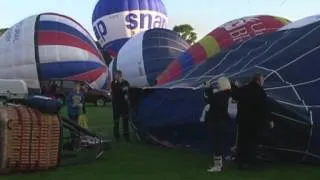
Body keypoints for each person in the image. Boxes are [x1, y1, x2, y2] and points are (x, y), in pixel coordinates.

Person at [232, 74, 274, 170]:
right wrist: (270, 120)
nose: (263, 82)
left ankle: (240, 162)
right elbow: (265, 108)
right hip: (255, 122)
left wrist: (233, 85)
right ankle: (251, 162)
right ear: (258, 81)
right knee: (252, 142)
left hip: (242, 121)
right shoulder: (260, 92)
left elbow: (235, 96)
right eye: (262, 80)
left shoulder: (244, 89)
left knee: (242, 141)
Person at [203, 77, 233, 173]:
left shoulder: (222, 95)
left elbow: (211, 100)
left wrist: (208, 88)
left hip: (217, 122)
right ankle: (220, 163)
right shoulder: (228, 94)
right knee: (219, 142)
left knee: (217, 143)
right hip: (222, 122)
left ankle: (218, 166)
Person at [111, 70, 130, 142]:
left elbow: (128, 90)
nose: (114, 76)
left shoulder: (125, 82)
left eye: (116, 75)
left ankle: (126, 136)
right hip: (116, 105)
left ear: (119, 75)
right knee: (116, 121)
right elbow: (116, 91)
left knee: (125, 121)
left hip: (124, 105)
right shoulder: (113, 83)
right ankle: (116, 135)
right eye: (114, 75)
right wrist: (123, 89)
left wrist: (125, 91)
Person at [66, 82, 85, 150]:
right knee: (72, 128)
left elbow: (82, 102)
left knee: (77, 128)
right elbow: (68, 102)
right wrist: (73, 105)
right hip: (71, 113)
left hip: (78, 113)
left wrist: (81, 105)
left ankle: (77, 144)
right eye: (76, 86)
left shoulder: (81, 94)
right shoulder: (71, 94)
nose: (77, 87)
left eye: (78, 86)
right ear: (74, 87)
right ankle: (73, 144)